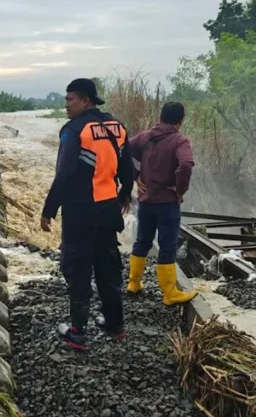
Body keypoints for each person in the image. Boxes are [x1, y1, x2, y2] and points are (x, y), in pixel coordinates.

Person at [41, 78, 134, 351]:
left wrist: (49, 209)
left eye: (70, 99)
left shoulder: (74, 130)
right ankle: (115, 325)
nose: (66, 104)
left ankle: (77, 332)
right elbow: (127, 166)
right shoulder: (117, 126)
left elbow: (65, 174)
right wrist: (125, 193)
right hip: (108, 210)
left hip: (81, 211)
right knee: (108, 266)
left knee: (78, 267)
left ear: (85, 100)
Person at [126, 101, 196, 305]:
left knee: (142, 241)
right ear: (181, 121)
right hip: (167, 203)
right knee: (167, 245)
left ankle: (134, 283)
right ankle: (170, 294)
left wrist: (135, 176)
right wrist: (179, 189)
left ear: (161, 116)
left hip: (146, 202)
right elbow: (185, 164)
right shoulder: (179, 141)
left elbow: (120, 150)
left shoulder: (145, 137)